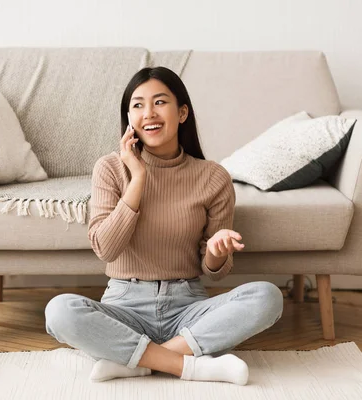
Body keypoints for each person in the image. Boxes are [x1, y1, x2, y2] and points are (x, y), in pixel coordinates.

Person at [44, 66, 283, 386]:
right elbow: (106, 248)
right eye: (138, 105)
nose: (149, 113)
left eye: (160, 102)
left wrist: (215, 251)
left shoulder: (213, 177)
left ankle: (136, 361)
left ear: (182, 112)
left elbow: (216, 271)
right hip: (124, 307)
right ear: (128, 118)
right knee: (60, 312)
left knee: (267, 297)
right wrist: (138, 178)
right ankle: (190, 366)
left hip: (188, 309)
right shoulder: (111, 168)